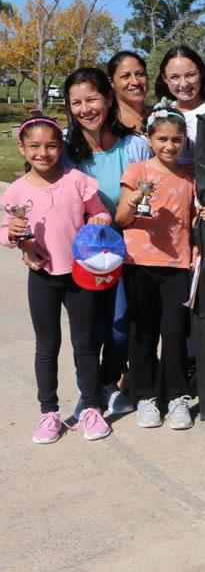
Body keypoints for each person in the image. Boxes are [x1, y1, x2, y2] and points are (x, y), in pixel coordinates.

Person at [1, 111, 112, 443]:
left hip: (80, 275)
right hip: (43, 276)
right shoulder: (17, 191)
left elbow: (100, 210)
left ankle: (91, 408)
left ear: (60, 146)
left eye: (50, 146)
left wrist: (99, 221)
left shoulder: (76, 180)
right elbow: (5, 231)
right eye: (34, 146)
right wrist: (16, 235)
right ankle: (48, 412)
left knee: (86, 344)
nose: (42, 153)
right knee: (47, 346)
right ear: (21, 148)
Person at [115, 108, 205, 430]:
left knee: (173, 331)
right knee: (142, 331)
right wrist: (134, 200)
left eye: (176, 139)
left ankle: (176, 395)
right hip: (139, 263)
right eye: (162, 139)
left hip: (176, 265)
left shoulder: (189, 177)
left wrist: (203, 221)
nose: (169, 146)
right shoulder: (136, 170)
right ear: (149, 138)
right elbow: (121, 219)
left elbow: (193, 218)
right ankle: (145, 395)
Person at [62, 67, 151, 418]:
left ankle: (108, 383)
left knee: (118, 329)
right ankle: (90, 394)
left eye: (92, 99)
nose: (85, 108)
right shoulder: (65, 150)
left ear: (109, 98)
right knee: (88, 333)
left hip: (126, 254)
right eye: (77, 102)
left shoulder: (135, 146)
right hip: (81, 257)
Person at [153, 44, 205, 165]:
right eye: (174, 77)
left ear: (201, 73)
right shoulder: (160, 114)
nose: (184, 84)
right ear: (165, 79)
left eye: (190, 75)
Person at [108, 51, 150, 132]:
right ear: (111, 82)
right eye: (125, 76)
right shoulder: (107, 123)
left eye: (140, 74)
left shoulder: (161, 115)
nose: (135, 82)